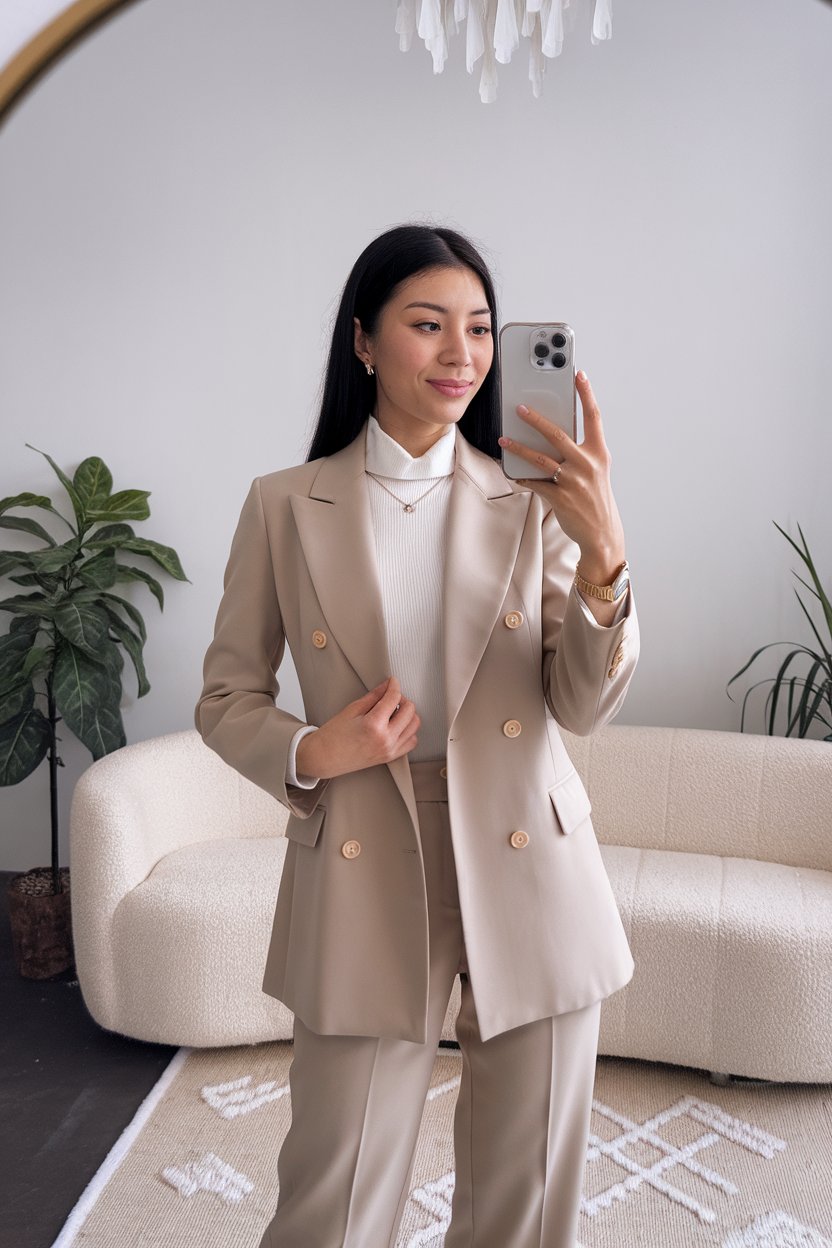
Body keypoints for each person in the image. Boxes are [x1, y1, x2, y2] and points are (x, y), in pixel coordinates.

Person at [194, 222, 639, 1248]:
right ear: (363, 342)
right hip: (362, 848)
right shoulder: (282, 507)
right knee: (334, 1202)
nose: (462, 355)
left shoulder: (533, 502)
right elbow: (225, 698)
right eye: (427, 324)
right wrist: (315, 750)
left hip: (532, 859)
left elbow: (581, 706)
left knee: (524, 1213)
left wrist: (605, 550)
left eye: (480, 329)